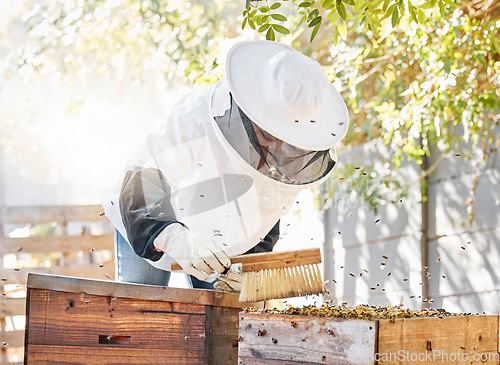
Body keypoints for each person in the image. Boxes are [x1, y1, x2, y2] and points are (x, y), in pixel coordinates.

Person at [102, 40, 349, 291]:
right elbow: (146, 176)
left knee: (220, 320)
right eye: (269, 131)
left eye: (287, 134)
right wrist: (174, 237)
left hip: (221, 244)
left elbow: (266, 217)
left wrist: (251, 272)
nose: (277, 141)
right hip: (149, 221)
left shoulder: (296, 154)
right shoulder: (195, 116)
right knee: (142, 309)